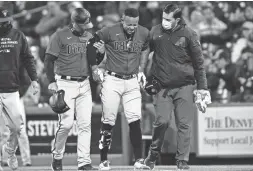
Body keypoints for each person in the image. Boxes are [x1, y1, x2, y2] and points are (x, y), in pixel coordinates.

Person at [143, 4, 211, 170]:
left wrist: (203, 88)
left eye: (168, 19)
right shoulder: (154, 32)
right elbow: (144, 53)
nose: (164, 22)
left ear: (178, 19)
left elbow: (199, 63)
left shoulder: (189, 34)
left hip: (185, 86)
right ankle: (153, 154)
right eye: (163, 18)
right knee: (162, 122)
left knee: (184, 124)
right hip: (162, 87)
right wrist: (141, 73)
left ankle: (182, 160)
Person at [91, 8, 150, 170]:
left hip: (132, 80)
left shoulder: (144, 32)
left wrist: (141, 69)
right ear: (122, 20)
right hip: (112, 79)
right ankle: (103, 160)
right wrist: (95, 67)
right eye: (129, 24)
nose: (132, 27)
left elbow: (146, 48)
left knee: (135, 120)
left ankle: (139, 160)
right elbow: (91, 44)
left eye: (135, 24)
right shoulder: (109, 31)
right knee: (108, 121)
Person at [44, 8, 99, 171]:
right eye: (84, 24)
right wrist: (52, 82)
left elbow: (93, 60)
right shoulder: (59, 36)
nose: (87, 27)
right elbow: (48, 60)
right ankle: (57, 156)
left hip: (84, 84)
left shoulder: (89, 36)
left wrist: (101, 55)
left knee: (85, 124)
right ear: (74, 22)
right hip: (65, 84)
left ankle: (84, 162)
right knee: (66, 125)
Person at [0, 7, 39, 171]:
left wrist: (34, 79)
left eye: (6, 21)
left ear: (12, 20)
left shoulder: (18, 36)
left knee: (17, 127)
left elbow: (29, 59)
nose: (4, 24)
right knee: (2, 131)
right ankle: (3, 161)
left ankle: (9, 152)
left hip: (12, 89)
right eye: (1, 22)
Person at [0, 66, 32, 167]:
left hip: (15, 96)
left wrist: (19, 93)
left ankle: (26, 161)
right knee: (5, 132)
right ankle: (5, 160)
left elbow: (26, 81)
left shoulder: (16, 62)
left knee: (21, 131)